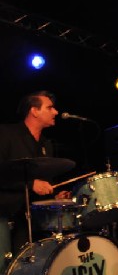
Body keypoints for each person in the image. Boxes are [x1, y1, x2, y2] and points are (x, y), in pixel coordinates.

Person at [0, 90, 71, 270]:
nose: (55, 112)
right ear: (34, 111)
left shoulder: (47, 145)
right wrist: (30, 184)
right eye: (50, 107)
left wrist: (54, 197)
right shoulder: (6, 134)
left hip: (35, 220)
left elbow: (44, 185)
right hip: (7, 215)